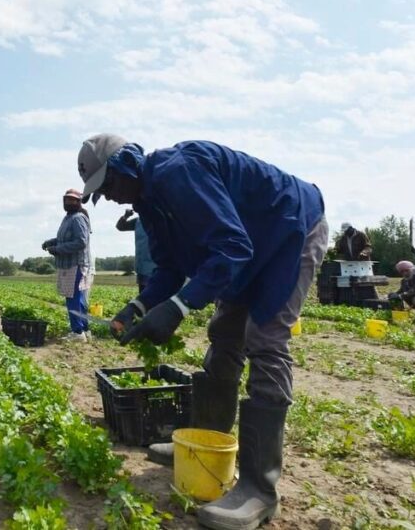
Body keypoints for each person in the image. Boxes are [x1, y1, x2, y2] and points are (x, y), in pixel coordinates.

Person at [77, 135, 326, 530]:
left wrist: (177, 308)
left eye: (107, 185)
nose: (107, 196)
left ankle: (259, 489)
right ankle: (205, 445)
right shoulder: (149, 203)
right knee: (225, 333)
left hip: (289, 232)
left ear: (125, 165)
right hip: (248, 247)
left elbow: (232, 247)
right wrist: (137, 307)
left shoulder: (179, 172)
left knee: (265, 340)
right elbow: (170, 270)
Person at [42, 188, 94, 342]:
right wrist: (51, 242)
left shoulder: (78, 218)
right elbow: (65, 238)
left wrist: (58, 249)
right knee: (78, 299)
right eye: (66, 200)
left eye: (72, 200)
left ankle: (77, 332)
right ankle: (85, 330)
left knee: (73, 298)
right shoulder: (68, 218)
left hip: (75, 264)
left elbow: (81, 242)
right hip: (70, 264)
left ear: (79, 202)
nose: (69, 202)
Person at [115, 209, 156, 293]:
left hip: (155, 266)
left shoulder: (159, 218)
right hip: (142, 266)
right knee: (144, 295)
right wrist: (126, 216)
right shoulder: (138, 221)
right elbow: (120, 226)